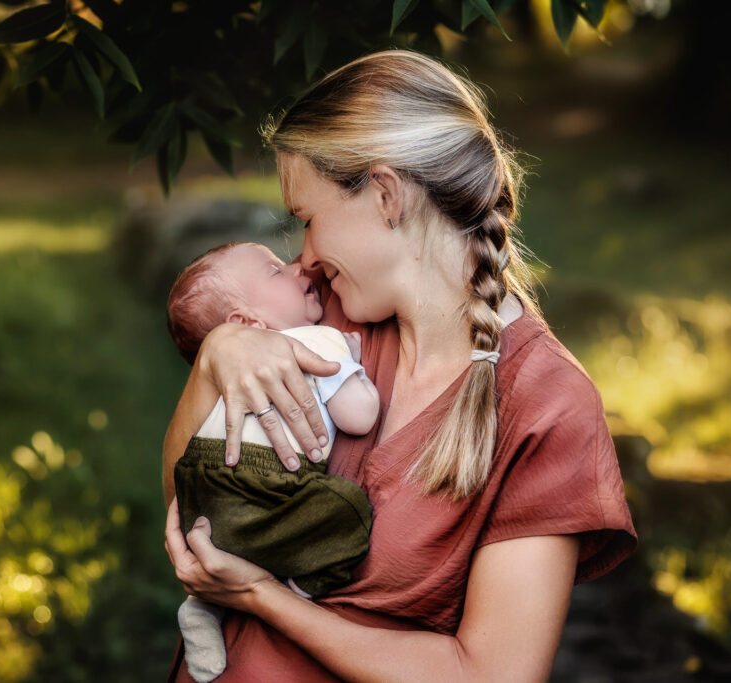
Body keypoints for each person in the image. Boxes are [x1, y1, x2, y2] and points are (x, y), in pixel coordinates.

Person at [163, 50, 637, 682]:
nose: (302, 257)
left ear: (386, 195)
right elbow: (188, 500)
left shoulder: (545, 404)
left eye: (308, 219)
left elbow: (489, 674)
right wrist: (217, 357)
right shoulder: (327, 313)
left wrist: (258, 596)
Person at [166, 241, 380, 682]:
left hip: (203, 493)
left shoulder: (226, 373)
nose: (299, 266)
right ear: (245, 323)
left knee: (226, 543)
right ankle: (301, 586)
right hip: (268, 485)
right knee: (343, 513)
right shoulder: (319, 340)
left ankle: (201, 607)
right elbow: (358, 417)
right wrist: (352, 369)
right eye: (275, 271)